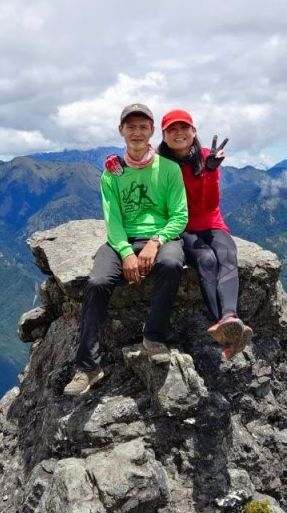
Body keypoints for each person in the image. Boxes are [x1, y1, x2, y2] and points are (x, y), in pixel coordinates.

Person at [64, 103, 189, 396]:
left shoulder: (169, 169)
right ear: (121, 131)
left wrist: (156, 242)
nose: (136, 133)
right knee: (96, 282)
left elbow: (180, 215)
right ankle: (88, 367)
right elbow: (113, 220)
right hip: (123, 239)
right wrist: (126, 252)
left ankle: (153, 337)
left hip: (161, 237)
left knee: (171, 264)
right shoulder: (112, 173)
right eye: (130, 127)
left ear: (152, 132)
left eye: (142, 127)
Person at [157, 109, 252, 359]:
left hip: (212, 222)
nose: (179, 133)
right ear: (164, 136)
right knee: (206, 260)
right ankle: (225, 326)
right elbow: (132, 160)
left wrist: (209, 172)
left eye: (184, 128)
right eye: (172, 129)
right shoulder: (160, 165)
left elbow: (210, 205)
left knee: (227, 253)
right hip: (183, 226)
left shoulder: (208, 158)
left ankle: (229, 317)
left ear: (194, 131)